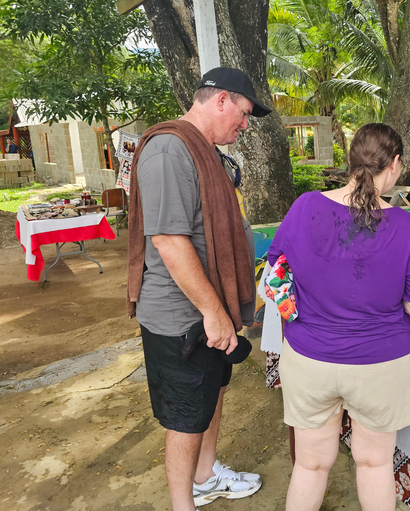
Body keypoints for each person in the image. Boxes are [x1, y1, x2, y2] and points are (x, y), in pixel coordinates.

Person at [268, 123, 410, 511]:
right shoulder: (404, 225)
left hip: (310, 357)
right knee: (375, 462)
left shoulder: (306, 206)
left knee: (310, 466)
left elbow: (277, 270)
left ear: (350, 160)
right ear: (395, 165)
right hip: (381, 364)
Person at [127, 67, 271, 511]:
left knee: (213, 392)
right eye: (244, 114)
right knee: (186, 417)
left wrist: (223, 308)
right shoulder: (170, 150)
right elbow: (169, 240)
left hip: (211, 309)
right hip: (182, 316)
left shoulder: (205, 150)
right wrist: (212, 311)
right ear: (221, 100)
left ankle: (205, 476)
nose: (245, 125)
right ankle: (182, 503)